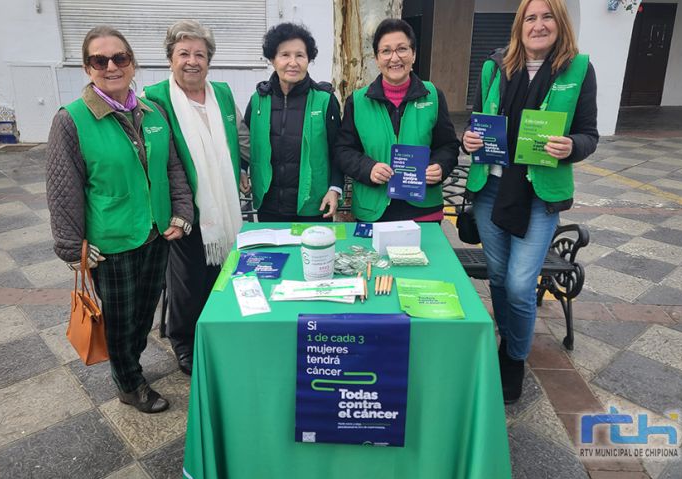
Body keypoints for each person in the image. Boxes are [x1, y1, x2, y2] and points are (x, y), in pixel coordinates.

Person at [46, 26, 194, 413]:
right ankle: (129, 383)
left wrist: (182, 211)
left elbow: (172, 166)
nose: (111, 66)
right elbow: (63, 187)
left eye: (120, 58)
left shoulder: (151, 111)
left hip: (155, 232)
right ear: (87, 67)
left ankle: (131, 363)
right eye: (100, 60)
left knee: (143, 313)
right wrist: (69, 244)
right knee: (120, 319)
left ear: (132, 63)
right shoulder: (72, 120)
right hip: (110, 242)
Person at [461, 0, 598, 403]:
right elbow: (477, 121)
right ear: (519, 25)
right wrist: (471, 138)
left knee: (521, 284)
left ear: (561, 23)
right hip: (491, 191)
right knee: (501, 279)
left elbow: (590, 134)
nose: (538, 25)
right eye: (530, 18)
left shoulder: (577, 70)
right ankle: (508, 345)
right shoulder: (494, 67)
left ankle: (515, 355)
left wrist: (571, 145)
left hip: (539, 195)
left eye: (547, 17)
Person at [144, 20, 247, 376]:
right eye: (183, 53)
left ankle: (217, 331)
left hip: (226, 204)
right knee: (188, 282)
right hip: (185, 210)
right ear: (170, 58)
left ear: (210, 59)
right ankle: (184, 342)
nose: (192, 61)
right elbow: (159, 158)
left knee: (222, 274)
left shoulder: (222, 93)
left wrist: (245, 171)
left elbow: (238, 140)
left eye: (200, 54)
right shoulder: (156, 98)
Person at [334, 18, 459, 222]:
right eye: (386, 51)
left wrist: (440, 166)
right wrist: (368, 168)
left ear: (414, 54)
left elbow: (448, 145)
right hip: (373, 210)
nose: (394, 58)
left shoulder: (433, 96)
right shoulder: (357, 101)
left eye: (402, 49)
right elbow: (343, 150)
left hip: (424, 210)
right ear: (376, 58)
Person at [244, 22, 343, 222]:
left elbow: (339, 150)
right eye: (285, 55)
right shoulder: (259, 100)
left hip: (314, 206)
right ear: (272, 59)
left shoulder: (324, 100)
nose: (293, 62)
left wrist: (335, 189)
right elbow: (244, 141)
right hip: (269, 206)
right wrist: (241, 170)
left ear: (309, 59)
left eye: (300, 55)